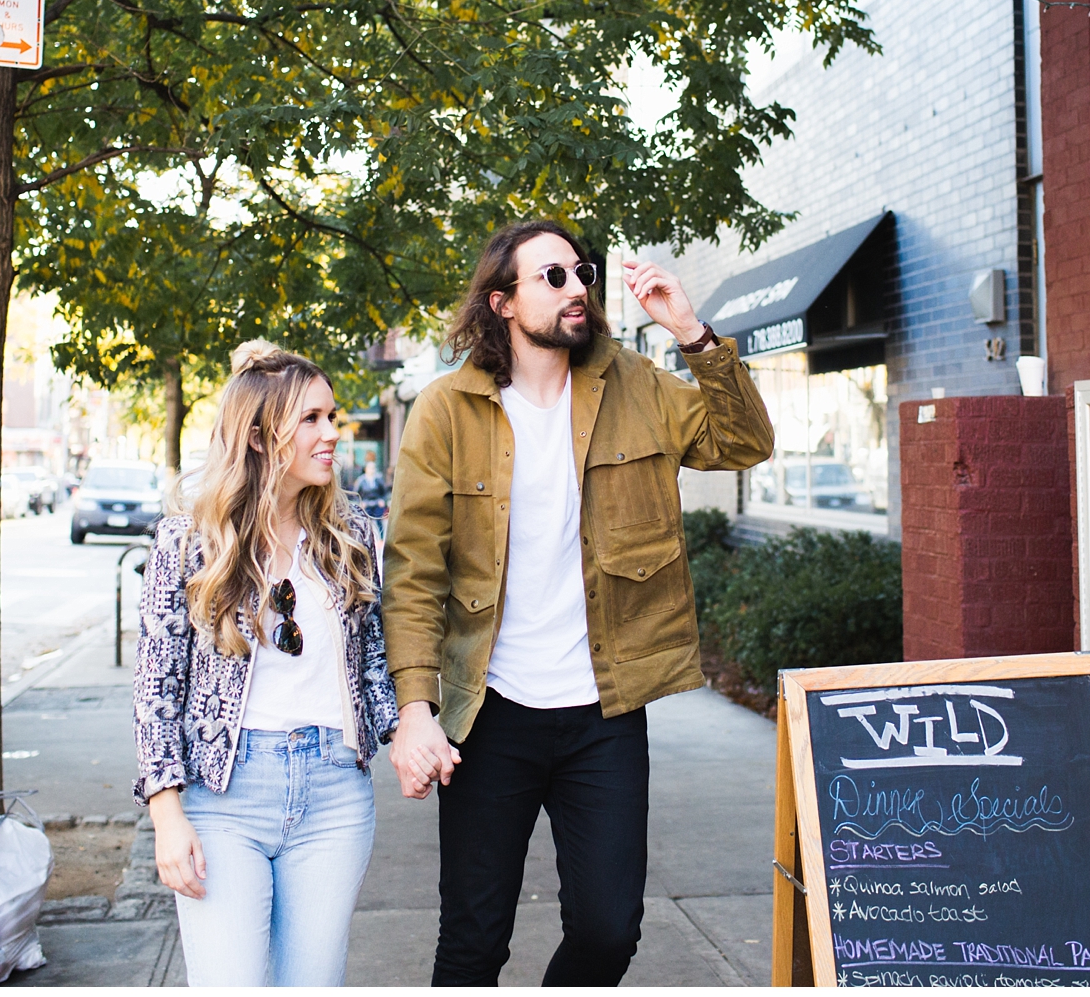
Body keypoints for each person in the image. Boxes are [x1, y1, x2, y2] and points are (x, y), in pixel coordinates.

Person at [383, 221, 775, 985]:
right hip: (490, 713)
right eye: (553, 277)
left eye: (581, 272)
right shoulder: (445, 410)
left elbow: (744, 442)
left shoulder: (634, 384)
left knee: (608, 929)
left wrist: (691, 333)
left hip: (604, 709)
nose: (576, 289)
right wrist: (414, 707)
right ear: (502, 301)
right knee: (472, 940)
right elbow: (413, 571)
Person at [133, 342, 398, 987]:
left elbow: (374, 664)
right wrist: (167, 816)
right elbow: (155, 686)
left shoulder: (350, 535)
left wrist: (409, 731)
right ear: (258, 436)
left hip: (335, 791)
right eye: (311, 419)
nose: (331, 432)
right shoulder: (191, 539)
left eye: (330, 416)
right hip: (223, 794)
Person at [351, 459, 389, 524]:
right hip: (366, 504)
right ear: (366, 469)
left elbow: (384, 492)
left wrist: (382, 500)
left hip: (377, 503)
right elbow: (355, 494)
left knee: (379, 522)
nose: (372, 470)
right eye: (370, 468)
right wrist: (360, 502)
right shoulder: (361, 480)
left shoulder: (378, 479)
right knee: (365, 522)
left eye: (373, 468)